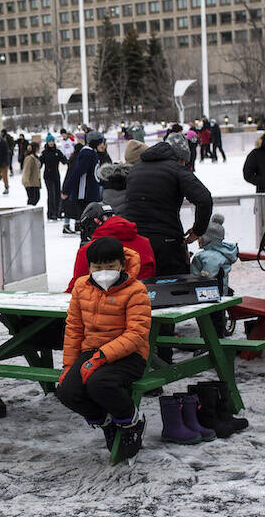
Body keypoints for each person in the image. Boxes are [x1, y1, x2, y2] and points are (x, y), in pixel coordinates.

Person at [56, 237, 151, 455]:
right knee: (67, 391)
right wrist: (69, 365)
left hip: (128, 355)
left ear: (121, 265)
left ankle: (130, 422)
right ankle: (105, 421)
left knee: (99, 383)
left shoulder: (136, 290)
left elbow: (136, 333)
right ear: (89, 267)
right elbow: (74, 328)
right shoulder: (81, 287)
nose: (104, 272)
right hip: (91, 351)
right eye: (98, 267)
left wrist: (103, 356)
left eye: (110, 266)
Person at [115, 136, 213, 275]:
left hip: (135, 240)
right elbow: (204, 199)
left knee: (143, 286)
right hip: (166, 241)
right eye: (185, 161)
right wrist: (198, 230)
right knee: (175, 286)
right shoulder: (177, 169)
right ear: (180, 158)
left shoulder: (136, 169)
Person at [66, 202, 156, 291]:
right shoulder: (145, 242)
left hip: (106, 298)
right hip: (145, 294)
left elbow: (76, 286)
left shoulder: (88, 249)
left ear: (95, 222)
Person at [190, 214, 238, 336]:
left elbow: (206, 277)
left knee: (210, 322)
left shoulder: (210, 257)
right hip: (219, 293)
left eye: (201, 237)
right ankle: (217, 338)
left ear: (209, 238)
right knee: (217, 318)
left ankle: (211, 343)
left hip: (209, 295)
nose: (198, 239)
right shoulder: (218, 253)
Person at [61, 130, 105, 234]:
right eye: (100, 143)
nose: (103, 145)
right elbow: (77, 172)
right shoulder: (87, 154)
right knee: (88, 226)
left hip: (91, 194)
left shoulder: (93, 153)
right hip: (85, 195)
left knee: (92, 226)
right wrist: (66, 190)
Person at [40, 134, 67, 220]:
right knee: (51, 195)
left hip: (56, 175)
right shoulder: (44, 153)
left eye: (52, 141)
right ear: (47, 142)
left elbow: (64, 161)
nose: (51, 143)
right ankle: (51, 213)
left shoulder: (57, 152)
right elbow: (39, 163)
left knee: (58, 194)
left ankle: (58, 212)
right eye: (49, 141)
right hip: (48, 176)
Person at [0, 131, 12, 195]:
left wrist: (6, 162)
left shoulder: (3, 142)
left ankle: (6, 187)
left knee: (4, 176)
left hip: (3, 162)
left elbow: (6, 153)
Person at [21, 141, 41, 206]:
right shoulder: (29, 158)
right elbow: (26, 170)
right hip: (30, 182)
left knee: (36, 198)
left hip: (35, 182)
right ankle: (29, 213)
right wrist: (26, 181)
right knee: (32, 199)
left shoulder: (35, 157)